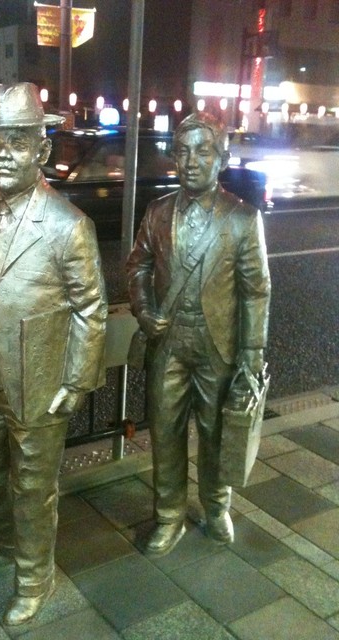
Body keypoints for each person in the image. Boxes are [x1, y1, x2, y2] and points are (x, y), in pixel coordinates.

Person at [0, 83, 108, 625]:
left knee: (34, 489)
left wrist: (76, 381)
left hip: (38, 384)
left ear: (42, 150)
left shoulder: (67, 225)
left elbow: (91, 309)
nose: (3, 154)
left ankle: (35, 578)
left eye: (18, 142)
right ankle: (6, 540)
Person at [126, 112, 270, 556]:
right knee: (164, 433)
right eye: (183, 151)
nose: (191, 161)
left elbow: (256, 290)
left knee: (215, 431)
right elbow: (138, 266)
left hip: (217, 345)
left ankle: (216, 504)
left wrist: (251, 352)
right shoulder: (158, 212)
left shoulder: (242, 218)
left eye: (202, 151)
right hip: (168, 343)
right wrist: (144, 310)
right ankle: (168, 516)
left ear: (221, 158)